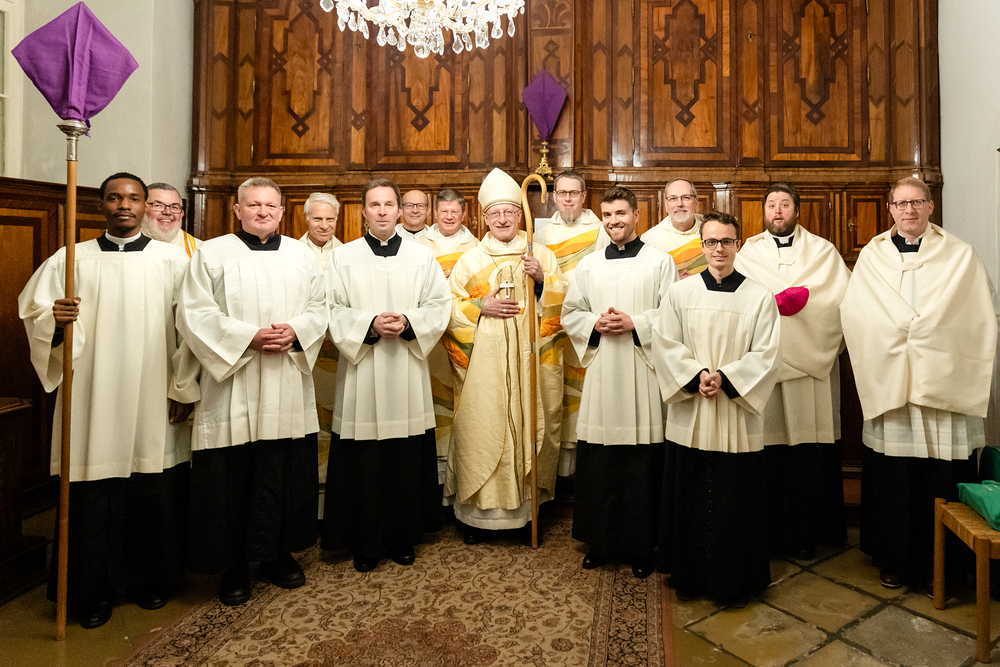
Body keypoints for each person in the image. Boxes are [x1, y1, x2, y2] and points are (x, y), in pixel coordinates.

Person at [18, 172, 198, 628]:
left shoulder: (173, 261)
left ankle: (149, 580)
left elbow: (190, 329)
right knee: (92, 491)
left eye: (134, 198)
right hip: (92, 394)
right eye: (115, 198)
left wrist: (183, 388)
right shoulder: (71, 260)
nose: (125, 205)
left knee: (152, 483)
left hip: (153, 389)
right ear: (101, 205)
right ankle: (90, 591)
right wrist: (55, 320)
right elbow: (36, 314)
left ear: (145, 206)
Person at [841, 177, 999, 589]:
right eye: (901, 203)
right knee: (895, 475)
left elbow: (982, 312)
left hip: (945, 382)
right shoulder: (872, 257)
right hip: (892, 382)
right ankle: (895, 559)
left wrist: (932, 334)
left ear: (931, 206)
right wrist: (895, 333)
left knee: (939, 474)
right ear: (890, 209)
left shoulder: (959, 255)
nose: (909, 210)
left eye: (917, 202)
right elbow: (855, 312)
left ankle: (945, 564)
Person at [177, 177, 327, 606]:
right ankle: (234, 565)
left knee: (282, 466)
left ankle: (279, 555)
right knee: (233, 472)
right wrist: (248, 338)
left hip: (285, 377)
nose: (263, 212)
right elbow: (194, 313)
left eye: (271, 206)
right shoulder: (212, 253)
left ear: (282, 211)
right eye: (254, 205)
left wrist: (295, 331)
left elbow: (320, 308)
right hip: (233, 381)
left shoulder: (301, 255)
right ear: (237, 210)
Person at [321, 178, 451, 573]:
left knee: (404, 455)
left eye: (388, 204)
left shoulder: (421, 257)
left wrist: (409, 322)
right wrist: (369, 324)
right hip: (362, 369)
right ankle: (365, 539)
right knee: (364, 456)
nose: (381, 211)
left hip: (406, 369)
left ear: (399, 211)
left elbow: (439, 305)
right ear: (363, 211)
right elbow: (330, 309)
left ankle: (402, 536)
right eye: (374, 204)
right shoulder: (343, 257)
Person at [653, 211, 781, 605]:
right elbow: (665, 343)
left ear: (738, 245)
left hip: (734, 410)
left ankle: (734, 582)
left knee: (734, 501)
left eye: (726, 241)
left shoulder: (759, 296)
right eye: (711, 242)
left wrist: (725, 377)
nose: (719, 249)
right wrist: (697, 376)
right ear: (702, 246)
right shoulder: (680, 293)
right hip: (693, 408)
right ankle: (689, 577)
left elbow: (768, 353)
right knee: (690, 495)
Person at [443, 167, 568, 543]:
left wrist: (543, 280)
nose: (502, 219)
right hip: (485, 369)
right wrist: (480, 306)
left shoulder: (539, 255)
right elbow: (447, 308)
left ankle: (527, 514)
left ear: (519, 215)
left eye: (509, 212)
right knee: (483, 428)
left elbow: (565, 305)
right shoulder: (470, 260)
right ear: (484, 218)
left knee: (530, 424)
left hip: (530, 361)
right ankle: (478, 517)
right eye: (494, 213)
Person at [562, 186, 676, 578]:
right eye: (608, 215)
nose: (614, 221)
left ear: (636, 216)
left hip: (642, 370)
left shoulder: (660, 262)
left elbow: (672, 315)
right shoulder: (589, 265)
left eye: (621, 214)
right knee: (601, 459)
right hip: (603, 370)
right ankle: (601, 541)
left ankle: (642, 546)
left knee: (640, 462)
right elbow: (571, 313)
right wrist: (594, 323)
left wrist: (635, 323)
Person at [734, 183, 850, 560]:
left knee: (807, 451)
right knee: (769, 451)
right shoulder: (747, 253)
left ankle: (807, 531)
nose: (778, 211)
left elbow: (839, 300)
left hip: (810, 370)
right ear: (763, 212)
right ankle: (767, 531)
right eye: (771, 205)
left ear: (797, 211)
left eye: (785, 204)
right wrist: (772, 303)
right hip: (765, 368)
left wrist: (804, 304)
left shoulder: (823, 251)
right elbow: (736, 300)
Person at [534, 170, 610, 476]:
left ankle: (585, 469)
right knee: (555, 394)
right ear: (554, 197)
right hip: (552, 324)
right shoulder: (541, 234)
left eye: (573, 193)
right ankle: (556, 472)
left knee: (586, 394)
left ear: (584, 196)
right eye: (562, 193)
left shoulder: (601, 230)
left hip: (588, 324)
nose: (567, 200)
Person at [419, 189, 480, 482]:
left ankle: (459, 464)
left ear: (464, 214)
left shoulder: (476, 246)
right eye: (444, 211)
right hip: (429, 331)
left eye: (455, 212)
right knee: (431, 391)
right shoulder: (419, 244)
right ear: (435, 213)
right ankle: (432, 468)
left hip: (462, 329)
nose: (449, 217)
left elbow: (480, 286)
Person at [299, 193, 343, 494]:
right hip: (305, 352)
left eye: (330, 219)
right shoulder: (291, 253)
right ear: (306, 218)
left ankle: (334, 486)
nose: (324, 225)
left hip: (340, 351)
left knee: (335, 416)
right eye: (317, 218)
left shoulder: (348, 254)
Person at [641, 178, 706, 278]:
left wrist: (697, 281)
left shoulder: (712, 230)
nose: (679, 204)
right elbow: (646, 279)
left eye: (686, 197)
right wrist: (672, 281)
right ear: (666, 205)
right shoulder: (650, 238)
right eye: (673, 199)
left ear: (696, 202)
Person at [141, 182, 200, 257]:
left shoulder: (199, 250)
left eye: (174, 207)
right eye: (158, 205)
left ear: (182, 214)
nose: (167, 212)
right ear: (141, 209)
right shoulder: (128, 244)